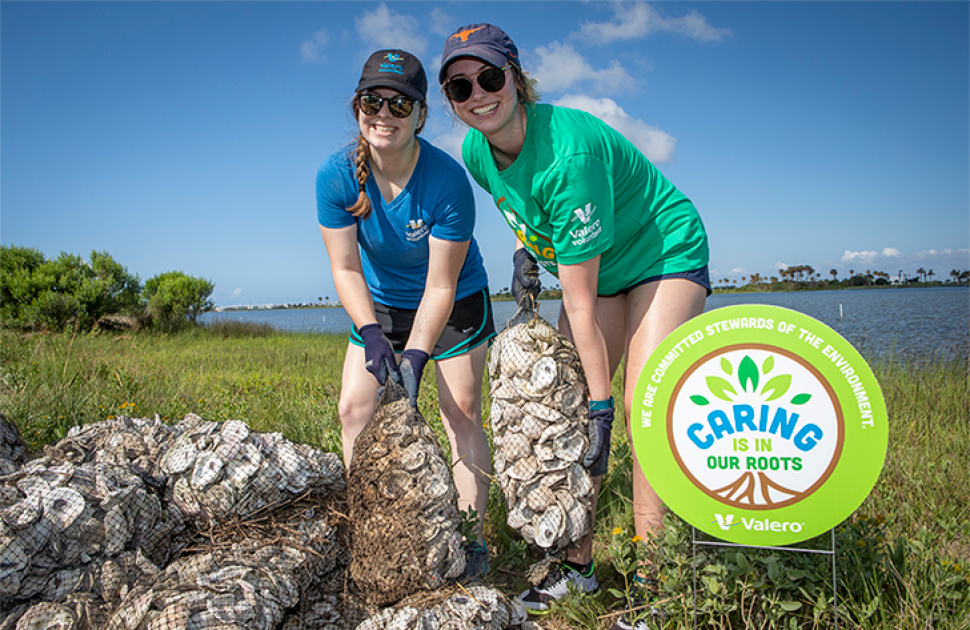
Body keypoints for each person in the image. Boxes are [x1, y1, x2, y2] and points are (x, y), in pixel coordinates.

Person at [439, 25, 711, 627]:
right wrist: (528, 251)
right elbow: (526, 210)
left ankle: (654, 586)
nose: (478, 94)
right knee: (556, 413)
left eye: (489, 77)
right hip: (596, 265)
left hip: (659, 254)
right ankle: (578, 567)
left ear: (516, 76)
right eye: (460, 87)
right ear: (453, 102)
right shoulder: (477, 152)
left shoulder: (572, 156)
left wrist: (602, 407)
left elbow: (581, 306)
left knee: (644, 414)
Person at [316, 49, 495, 581]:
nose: (385, 113)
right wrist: (371, 333)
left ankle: (472, 539)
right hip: (382, 301)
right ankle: (372, 527)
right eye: (373, 100)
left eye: (401, 103)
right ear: (357, 107)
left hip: (456, 296)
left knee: (458, 409)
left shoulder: (447, 181)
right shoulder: (337, 176)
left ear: (420, 114)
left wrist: (417, 354)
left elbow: (441, 283)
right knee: (354, 408)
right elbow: (345, 269)